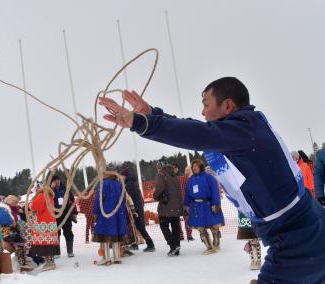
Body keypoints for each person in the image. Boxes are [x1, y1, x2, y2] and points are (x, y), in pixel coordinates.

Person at [98, 77, 325, 283]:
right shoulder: (242, 132)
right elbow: (197, 129)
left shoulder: (246, 127)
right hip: (300, 228)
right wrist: (152, 114)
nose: (203, 112)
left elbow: (198, 133)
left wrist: (141, 123)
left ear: (227, 105)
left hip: (298, 238)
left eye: (207, 104)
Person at [184, 159, 224, 255]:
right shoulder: (191, 180)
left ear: (201, 167)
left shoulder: (209, 177)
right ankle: (209, 247)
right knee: (201, 228)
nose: (194, 168)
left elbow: (215, 191)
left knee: (213, 226)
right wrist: (186, 206)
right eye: (193, 167)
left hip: (208, 205)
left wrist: (216, 204)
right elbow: (187, 194)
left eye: (196, 167)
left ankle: (216, 244)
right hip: (196, 207)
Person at [92, 173, 129, 265]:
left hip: (106, 212)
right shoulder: (119, 184)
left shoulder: (103, 184)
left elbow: (98, 199)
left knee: (104, 234)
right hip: (118, 212)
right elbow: (124, 199)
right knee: (116, 233)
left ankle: (106, 257)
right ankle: (116, 257)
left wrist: (95, 212)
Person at [26, 183, 60, 271]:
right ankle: (50, 261)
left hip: (43, 224)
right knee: (49, 244)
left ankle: (50, 263)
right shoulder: (50, 197)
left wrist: (30, 205)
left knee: (45, 244)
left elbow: (36, 207)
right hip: (50, 223)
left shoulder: (42, 196)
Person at [121, 167, 155, 252]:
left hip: (136, 209)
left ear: (125, 176)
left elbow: (129, 198)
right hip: (136, 208)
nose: (121, 178)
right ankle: (134, 244)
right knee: (134, 227)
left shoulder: (129, 185)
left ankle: (150, 244)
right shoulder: (131, 183)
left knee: (140, 227)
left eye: (122, 176)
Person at [153, 163, 184, 256]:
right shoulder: (174, 175)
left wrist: (155, 196)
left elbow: (159, 188)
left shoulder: (161, 174)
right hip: (176, 206)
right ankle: (177, 247)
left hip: (165, 206)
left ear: (160, 167)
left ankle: (173, 245)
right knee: (175, 227)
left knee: (164, 226)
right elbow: (179, 191)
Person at [51, 175, 77, 258]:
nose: (56, 182)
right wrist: (51, 188)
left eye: (57, 179)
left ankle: (70, 251)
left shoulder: (66, 188)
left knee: (68, 232)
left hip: (66, 213)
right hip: (55, 214)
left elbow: (72, 200)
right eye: (55, 180)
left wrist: (74, 212)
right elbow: (47, 198)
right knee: (56, 233)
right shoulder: (50, 190)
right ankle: (56, 252)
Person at [172, 164, 194, 241]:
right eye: (173, 168)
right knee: (177, 220)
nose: (174, 169)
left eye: (175, 167)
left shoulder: (183, 177)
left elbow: (189, 189)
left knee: (187, 219)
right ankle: (180, 235)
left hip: (185, 202)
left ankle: (189, 235)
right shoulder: (171, 178)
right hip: (175, 203)